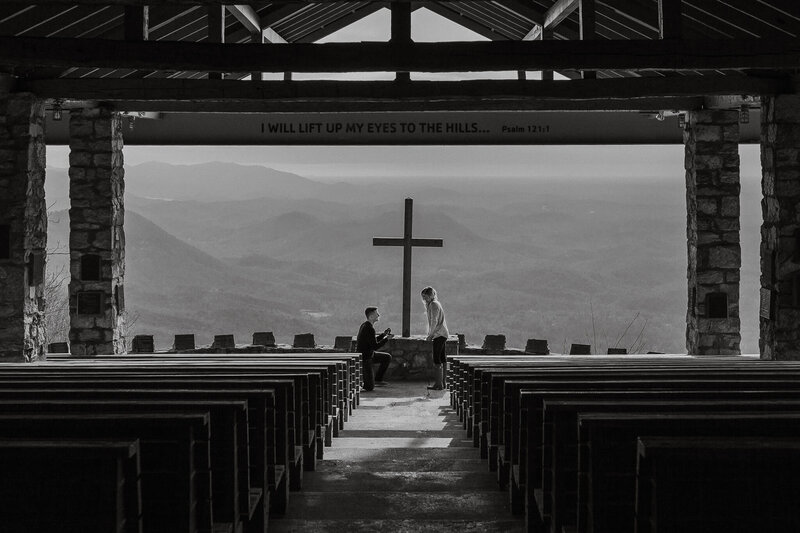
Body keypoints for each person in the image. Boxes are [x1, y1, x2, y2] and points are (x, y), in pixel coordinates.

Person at [356, 306, 394, 392]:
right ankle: (370, 382)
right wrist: (387, 339)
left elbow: (372, 341)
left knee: (387, 357)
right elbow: (375, 346)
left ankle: (378, 380)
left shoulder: (365, 325)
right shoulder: (369, 328)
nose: (378, 315)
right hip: (366, 358)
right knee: (369, 387)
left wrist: (383, 335)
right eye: (376, 313)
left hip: (370, 354)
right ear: (371, 316)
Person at [422, 286, 449, 390]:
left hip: (439, 334)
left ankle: (438, 384)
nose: (424, 299)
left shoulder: (433, 305)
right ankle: (443, 383)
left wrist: (430, 335)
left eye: (426, 296)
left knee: (437, 358)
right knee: (442, 358)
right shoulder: (435, 304)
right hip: (442, 334)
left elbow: (434, 321)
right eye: (423, 297)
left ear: (430, 296)